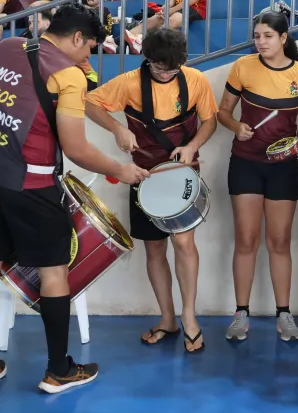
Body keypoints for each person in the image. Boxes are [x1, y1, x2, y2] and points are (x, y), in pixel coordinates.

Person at [0, 3, 150, 395]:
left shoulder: (4, 47)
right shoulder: (68, 75)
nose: (88, 56)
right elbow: (76, 149)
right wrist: (120, 169)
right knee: (54, 272)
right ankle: (59, 369)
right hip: (31, 185)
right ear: (77, 37)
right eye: (90, 47)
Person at [85, 28, 218, 354]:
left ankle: (189, 317)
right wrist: (116, 127)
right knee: (155, 249)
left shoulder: (196, 80)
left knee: (184, 243)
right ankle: (167, 318)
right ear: (147, 59)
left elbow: (210, 121)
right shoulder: (128, 82)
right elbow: (89, 103)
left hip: (183, 173)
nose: (166, 74)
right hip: (143, 176)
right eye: (160, 68)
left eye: (173, 69)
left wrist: (192, 146)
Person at [217, 11, 298, 342]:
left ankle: (284, 314)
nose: (260, 42)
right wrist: (236, 126)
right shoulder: (242, 67)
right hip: (245, 163)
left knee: (279, 242)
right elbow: (222, 112)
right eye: (257, 35)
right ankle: (240, 314)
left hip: (283, 168)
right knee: (246, 240)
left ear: (283, 38)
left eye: (268, 36)